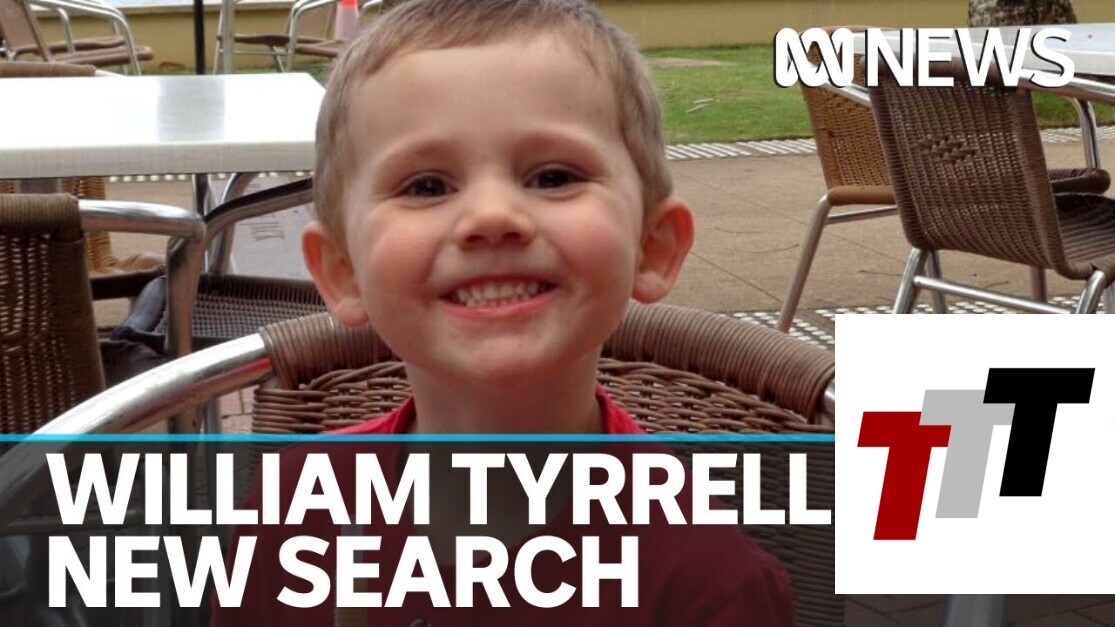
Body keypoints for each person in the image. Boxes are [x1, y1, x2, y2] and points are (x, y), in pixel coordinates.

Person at [211, 0, 793, 624]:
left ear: (652, 247)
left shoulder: (708, 581)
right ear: (343, 271)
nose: (491, 216)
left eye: (553, 177)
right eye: (427, 186)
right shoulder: (296, 504)